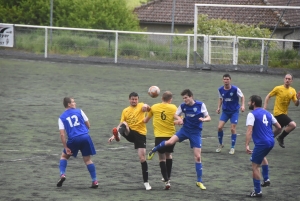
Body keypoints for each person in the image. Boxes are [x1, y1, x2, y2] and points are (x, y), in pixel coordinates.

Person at [147, 89, 211, 190]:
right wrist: (180, 119)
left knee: (198, 157)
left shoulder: (200, 105)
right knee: (169, 142)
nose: (184, 100)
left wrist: (204, 119)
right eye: (183, 98)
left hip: (195, 133)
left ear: (191, 97)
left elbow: (209, 117)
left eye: (186, 98)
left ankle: (199, 181)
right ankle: (153, 150)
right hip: (185, 130)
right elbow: (175, 114)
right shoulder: (183, 106)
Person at [108, 92, 152, 190]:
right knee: (124, 123)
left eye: (136, 99)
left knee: (142, 158)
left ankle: (146, 183)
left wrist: (146, 106)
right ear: (129, 99)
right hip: (130, 133)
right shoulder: (125, 110)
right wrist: (113, 136)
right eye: (132, 99)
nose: (134, 101)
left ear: (138, 99)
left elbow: (148, 108)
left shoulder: (141, 106)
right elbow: (121, 124)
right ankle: (118, 135)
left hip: (140, 135)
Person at [57, 97, 98, 188]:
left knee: (64, 156)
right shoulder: (80, 111)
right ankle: (94, 181)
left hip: (73, 139)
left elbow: (62, 135)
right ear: (69, 104)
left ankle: (62, 174)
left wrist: (66, 147)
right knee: (87, 160)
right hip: (85, 137)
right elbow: (88, 125)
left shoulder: (61, 117)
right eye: (73, 102)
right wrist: (82, 133)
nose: (75, 103)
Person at [245, 95, 281, 197]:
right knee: (262, 157)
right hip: (270, 142)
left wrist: (247, 145)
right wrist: (270, 137)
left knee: (255, 166)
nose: (248, 103)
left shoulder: (252, 114)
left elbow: (249, 130)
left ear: (253, 103)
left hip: (262, 143)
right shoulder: (268, 113)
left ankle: (257, 191)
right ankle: (266, 179)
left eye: (249, 101)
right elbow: (279, 127)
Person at [144, 91, 177, 190]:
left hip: (159, 136)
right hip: (171, 136)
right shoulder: (174, 108)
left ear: (161, 98)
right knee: (169, 155)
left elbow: (146, 120)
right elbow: (179, 120)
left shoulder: (154, 107)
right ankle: (168, 178)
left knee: (162, 158)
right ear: (170, 100)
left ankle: (166, 180)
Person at [263, 73, 299, 148]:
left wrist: (298, 99)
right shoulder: (278, 88)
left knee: (278, 130)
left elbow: (296, 104)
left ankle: (265, 142)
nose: (287, 80)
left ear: (291, 81)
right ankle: (281, 138)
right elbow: (268, 96)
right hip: (278, 113)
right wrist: (265, 107)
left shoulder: (293, 91)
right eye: (286, 78)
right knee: (293, 125)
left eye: (289, 79)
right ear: (284, 79)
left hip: (284, 113)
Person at [216, 73, 245, 154]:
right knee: (219, 127)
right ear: (223, 80)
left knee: (232, 129)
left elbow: (242, 96)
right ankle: (220, 144)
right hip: (225, 111)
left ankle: (232, 147)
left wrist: (242, 105)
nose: (226, 81)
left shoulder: (235, 89)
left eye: (227, 79)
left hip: (234, 111)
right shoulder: (220, 89)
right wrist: (218, 107)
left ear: (230, 80)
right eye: (224, 79)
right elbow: (221, 99)